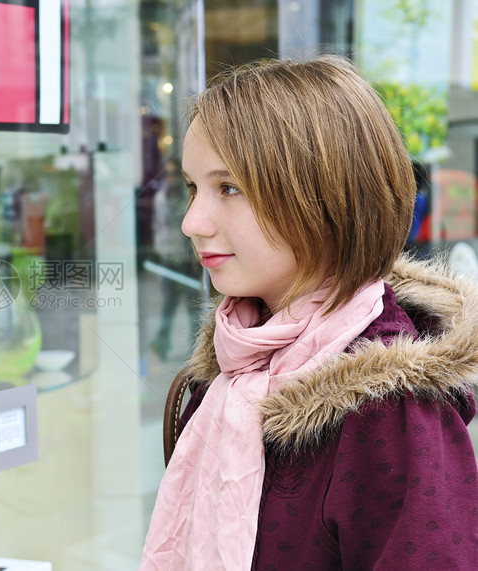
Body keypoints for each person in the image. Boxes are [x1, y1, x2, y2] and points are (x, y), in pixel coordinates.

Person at [141, 55, 478, 570]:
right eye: (192, 188)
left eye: (229, 188)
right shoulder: (237, 366)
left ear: (327, 199)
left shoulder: (389, 411)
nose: (192, 222)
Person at [150, 158, 202, 361]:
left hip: (187, 261)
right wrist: (161, 253)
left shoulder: (186, 197)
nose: (171, 178)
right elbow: (158, 228)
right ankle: (163, 342)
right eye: (168, 174)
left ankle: (196, 348)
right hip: (169, 259)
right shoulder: (161, 198)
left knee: (193, 306)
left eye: (175, 174)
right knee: (169, 305)